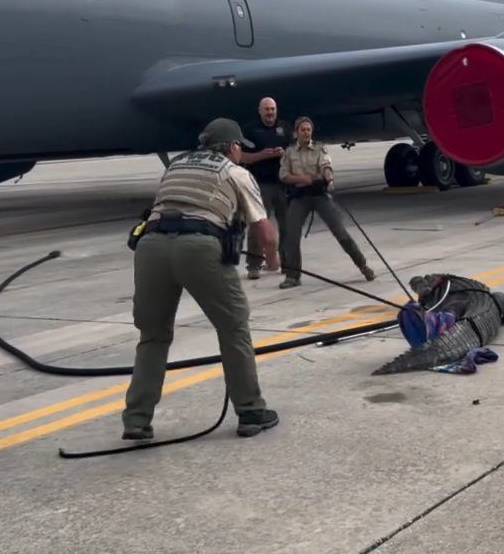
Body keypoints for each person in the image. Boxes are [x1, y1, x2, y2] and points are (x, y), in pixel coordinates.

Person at [121, 118, 280, 440]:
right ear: (233, 146)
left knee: (153, 336)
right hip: (199, 248)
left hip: (151, 247)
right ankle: (250, 411)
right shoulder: (234, 171)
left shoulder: (177, 166)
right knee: (233, 327)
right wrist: (273, 259)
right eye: (240, 148)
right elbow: (264, 230)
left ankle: (136, 421)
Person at [278, 116, 375, 289]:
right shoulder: (290, 152)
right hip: (299, 196)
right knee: (291, 236)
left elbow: (326, 166)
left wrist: (329, 178)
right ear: (296, 132)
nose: (306, 133)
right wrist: (302, 179)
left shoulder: (319, 148)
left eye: (309, 130)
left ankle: (363, 266)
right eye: (303, 130)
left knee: (340, 232)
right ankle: (293, 276)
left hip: (319, 195)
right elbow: (283, 175)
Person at [239, 97, 290, 279]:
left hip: (283, 184)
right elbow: (240, 156)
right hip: (261, 184)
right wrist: (261, 155)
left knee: (287, 225)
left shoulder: (285, 128)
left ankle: (287, 262)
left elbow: (293, 151)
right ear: (260, 111)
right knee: (257, 225)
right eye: (267, 109)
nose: (270, 112)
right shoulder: (250, 130)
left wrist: (285, 154)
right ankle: (254, 264)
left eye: (273, 109)